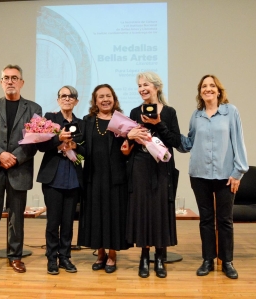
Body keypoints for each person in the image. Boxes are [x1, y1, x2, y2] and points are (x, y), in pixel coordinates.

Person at [0, 64, 42, 278]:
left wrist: (15, 157)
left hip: (19, 170)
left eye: (14, 77)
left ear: (22, 82)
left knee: (16, 218)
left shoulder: (33, 108)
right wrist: (0, 155)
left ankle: (15, 256)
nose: (10, 81)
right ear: (1, 82)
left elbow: (35, 140)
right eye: (6, 78)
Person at [179, 74, 248, 279]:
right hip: (199, 174)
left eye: (211, 86)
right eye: (204, 86)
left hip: (226, 175)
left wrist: (238, 172)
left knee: (225, 219)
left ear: (218, 90)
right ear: (200, 92)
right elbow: (189, 143)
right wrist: (168, 132)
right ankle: (208, 259)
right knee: (206, 219)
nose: (207, 89)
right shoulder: (197, 115)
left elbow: (238, 142)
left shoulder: (231, 111)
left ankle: (226, 261)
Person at [124, 71, 181, 278]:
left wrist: (158, 124)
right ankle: (144, 256)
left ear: (156, 87)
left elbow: (175, 141)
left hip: (162, 167)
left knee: (159, 210)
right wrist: (130, 136)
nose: (142, 89)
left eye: (145, 84)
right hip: (140, 167)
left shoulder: (169, 112)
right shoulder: (133, 111)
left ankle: (160, 257)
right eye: (139, 85)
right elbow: (128, 143)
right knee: (143, 209)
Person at [77, 84, 131, 273]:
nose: (105, 99)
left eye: (108, 96)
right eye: (101, 96)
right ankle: (100, 253)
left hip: (115, 177)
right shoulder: (88, 121)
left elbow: (129, 150)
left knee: (114, 216)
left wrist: (126, 152)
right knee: (96, 216)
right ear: (95, 100)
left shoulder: (123, 122)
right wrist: (72, 148)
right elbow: (82, 149)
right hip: (93, 176)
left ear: (114, 99)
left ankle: (112, 255)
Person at [36, 85, 85, 275]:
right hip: (53, 178)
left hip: (73, 178)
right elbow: (41, 146)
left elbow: (84, 153)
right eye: (63, 96)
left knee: (68, 222)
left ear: (76, 101)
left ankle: (65, 257)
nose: (67, 98)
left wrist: (74, 147)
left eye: (71, 96)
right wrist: (58, 142)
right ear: (58, 100)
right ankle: (51, 258)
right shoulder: (50, 119)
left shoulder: (82, 124)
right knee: (53, 221)